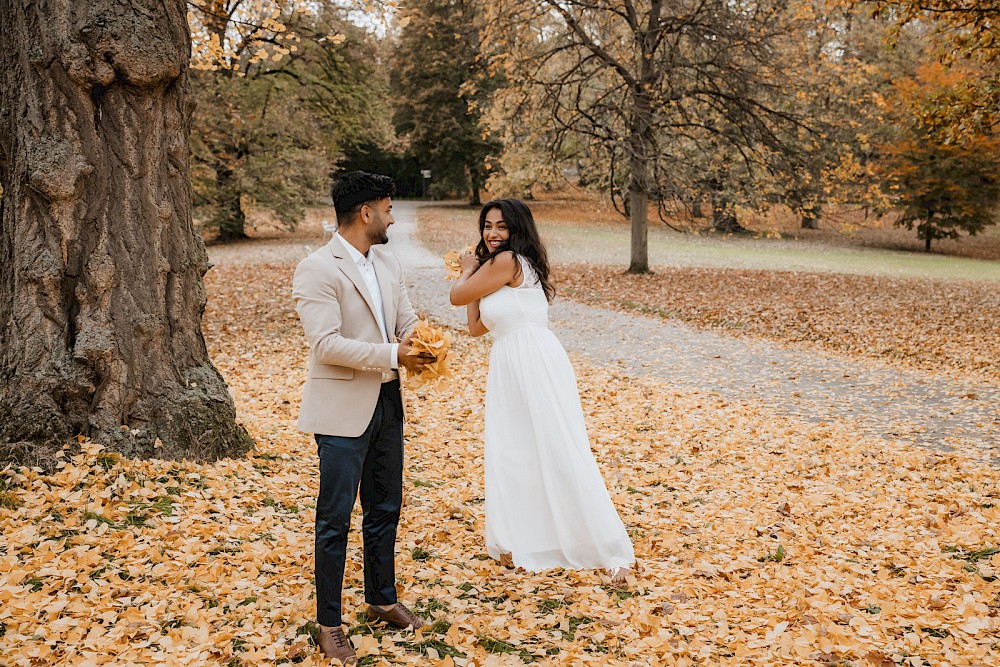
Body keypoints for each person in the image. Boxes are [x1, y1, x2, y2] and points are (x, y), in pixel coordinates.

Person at [449, 198, 634, 584]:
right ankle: (528, 538)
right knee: (516, 451)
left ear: (517, 230)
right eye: (487, 226)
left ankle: (608, 545)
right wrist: (473, 280)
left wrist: (466, 271)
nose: (492, 233)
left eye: (501, 226)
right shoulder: (499, 267)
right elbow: (476, 327)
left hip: (532, 360)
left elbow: (455, 296)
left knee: (558, 448)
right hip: (509, 363)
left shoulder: (508, 262)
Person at [293, 171, 435, 665]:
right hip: (340, 413)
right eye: (389, 208)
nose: (393, 216)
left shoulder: (388, 262)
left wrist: (421, 341)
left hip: (388, 403)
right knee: (334, 521)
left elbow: (406, 317)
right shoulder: (316, 268)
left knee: (385, 508)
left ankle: (381, 598)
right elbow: (326, 344)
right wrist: (395, 353)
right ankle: (329, 625)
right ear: (365, 213)